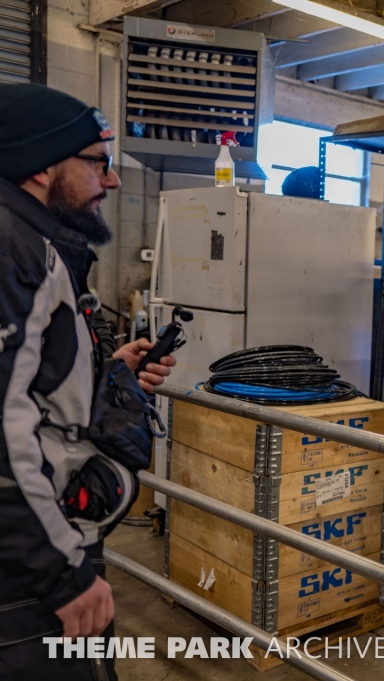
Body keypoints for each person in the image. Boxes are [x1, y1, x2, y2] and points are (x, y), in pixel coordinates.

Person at [0, 84, 176, 678]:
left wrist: (107, 372)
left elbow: (26, 388)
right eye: (98, 162)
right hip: (25, 585)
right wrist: (63, 574)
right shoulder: (13, 250)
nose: (113, 180)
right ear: (43, 168)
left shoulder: (38, 245)